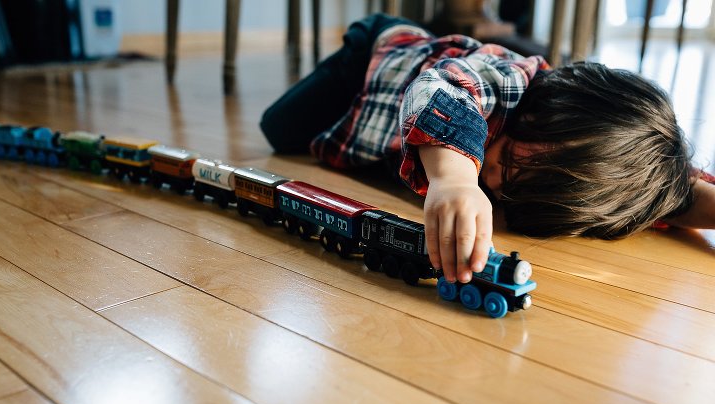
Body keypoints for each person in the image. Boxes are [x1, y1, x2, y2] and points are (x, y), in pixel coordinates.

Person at [260, 14, 715, 284]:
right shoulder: (509, 81)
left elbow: (662, 198)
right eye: (513, 160)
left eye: (519, 188)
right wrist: (455, 179)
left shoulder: (598, 182)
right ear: (552, 109)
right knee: (280, 130)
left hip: (386, 142)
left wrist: (690, 198)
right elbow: (447, 89)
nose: (497, 179)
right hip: (375, 66)